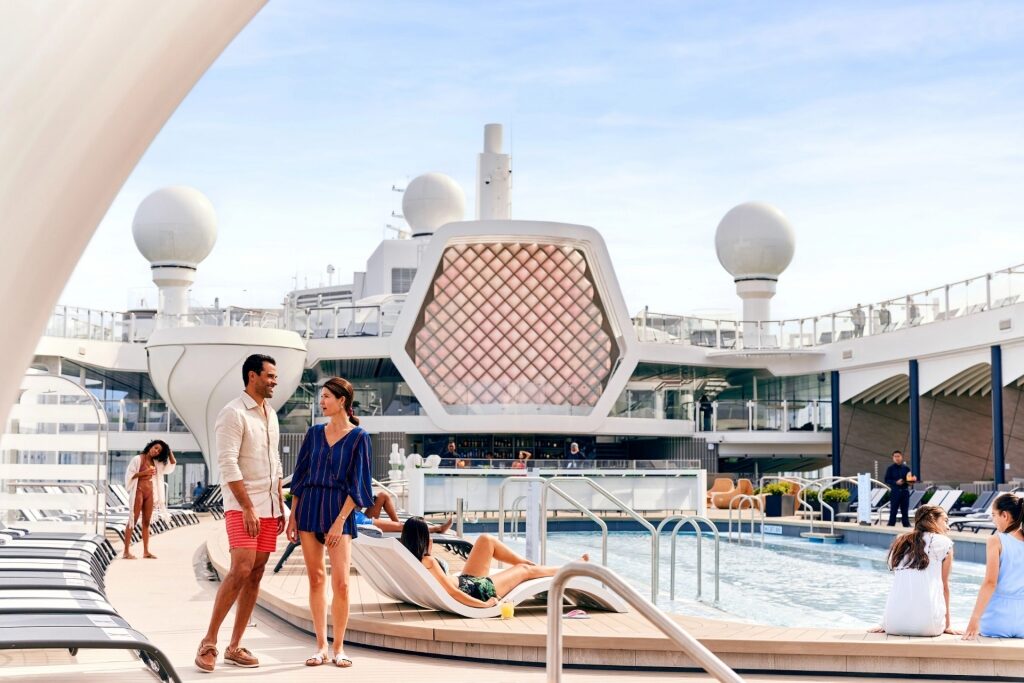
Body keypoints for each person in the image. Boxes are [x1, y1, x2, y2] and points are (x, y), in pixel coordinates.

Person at [195, 354, 285, 673]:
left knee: (257, 572)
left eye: (275, 376)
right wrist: (247, 506)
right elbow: (228, 463)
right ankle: (208, 642)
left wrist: (279, 502)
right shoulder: (232, 413)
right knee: (240, 569)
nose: (275, 381)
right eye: (270, 376)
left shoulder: (271, 414)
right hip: (242, 506)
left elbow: (275, 461)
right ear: (252, 376)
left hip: (270, 507)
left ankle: (235, 646)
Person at [286, 377, 373, 668]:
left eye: (326, 397)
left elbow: (359, 486)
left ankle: (339, 648)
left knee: (343, 584)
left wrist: (339, 522)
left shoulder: (360, 437)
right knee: (315, 579)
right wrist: (292, 516)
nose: (321, 402)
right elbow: (299, 478)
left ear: (342, 401)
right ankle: (320, 646)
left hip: (340, 512)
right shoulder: (313, 434)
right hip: (310, 508)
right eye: (320, 397)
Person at [399, 518, 588, 607]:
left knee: (485, 540)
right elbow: (452, 592)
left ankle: (530, 564)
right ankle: (572, 567)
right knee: (522, 571)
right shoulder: (428, 560)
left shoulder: (412, 557)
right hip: (476, 591)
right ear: (422, 537)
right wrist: (485, 604)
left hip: (467, 582)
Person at [870, 505, 958, 636]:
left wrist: (885, 622)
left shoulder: (900, 542)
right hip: (929, 627)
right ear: (932, 519)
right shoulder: (944, 543)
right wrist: (948, 625)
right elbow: (944, 587)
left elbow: (902, 585)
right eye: (945, 520)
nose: (948, 527)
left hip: (893, 624)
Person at [964, 494, 1024, 640]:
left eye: (994, 515)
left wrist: (974, 619)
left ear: (1005, 515)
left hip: (998, 621)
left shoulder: (996, 540)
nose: (993, 520)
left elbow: (990, 583)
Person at [122, 439, 176, 560]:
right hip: (138, 491)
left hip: (150, 493)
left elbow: (171, 465)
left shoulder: (157, 463)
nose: (156, 451)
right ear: (150, 446)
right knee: (133, 520)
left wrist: (169, 451)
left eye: (159, 451)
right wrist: (144, 472)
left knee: (146, 522)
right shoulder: (138, 459)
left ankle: (146, 552)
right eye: (155, 447)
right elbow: (129, 476)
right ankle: (126, 552)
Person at [354, 492, 452, 534]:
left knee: (383, 495)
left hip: (359, 515)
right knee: (399, 526)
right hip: (359, 522)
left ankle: (399, 527)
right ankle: (436, 529)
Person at [884, 450, 914, 527]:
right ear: (893, 458)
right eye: (895, 456)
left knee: (905, 510)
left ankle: (906, 524)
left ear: (901, 457)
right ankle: (891, 524)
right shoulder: (890, 468)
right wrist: (895, 482)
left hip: (905, 491)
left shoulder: (906, 468)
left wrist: (910, 480)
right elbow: (887, 480)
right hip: (895, 492)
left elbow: (910, 480)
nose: (897, 458)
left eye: (898, 456)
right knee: (893, 510)